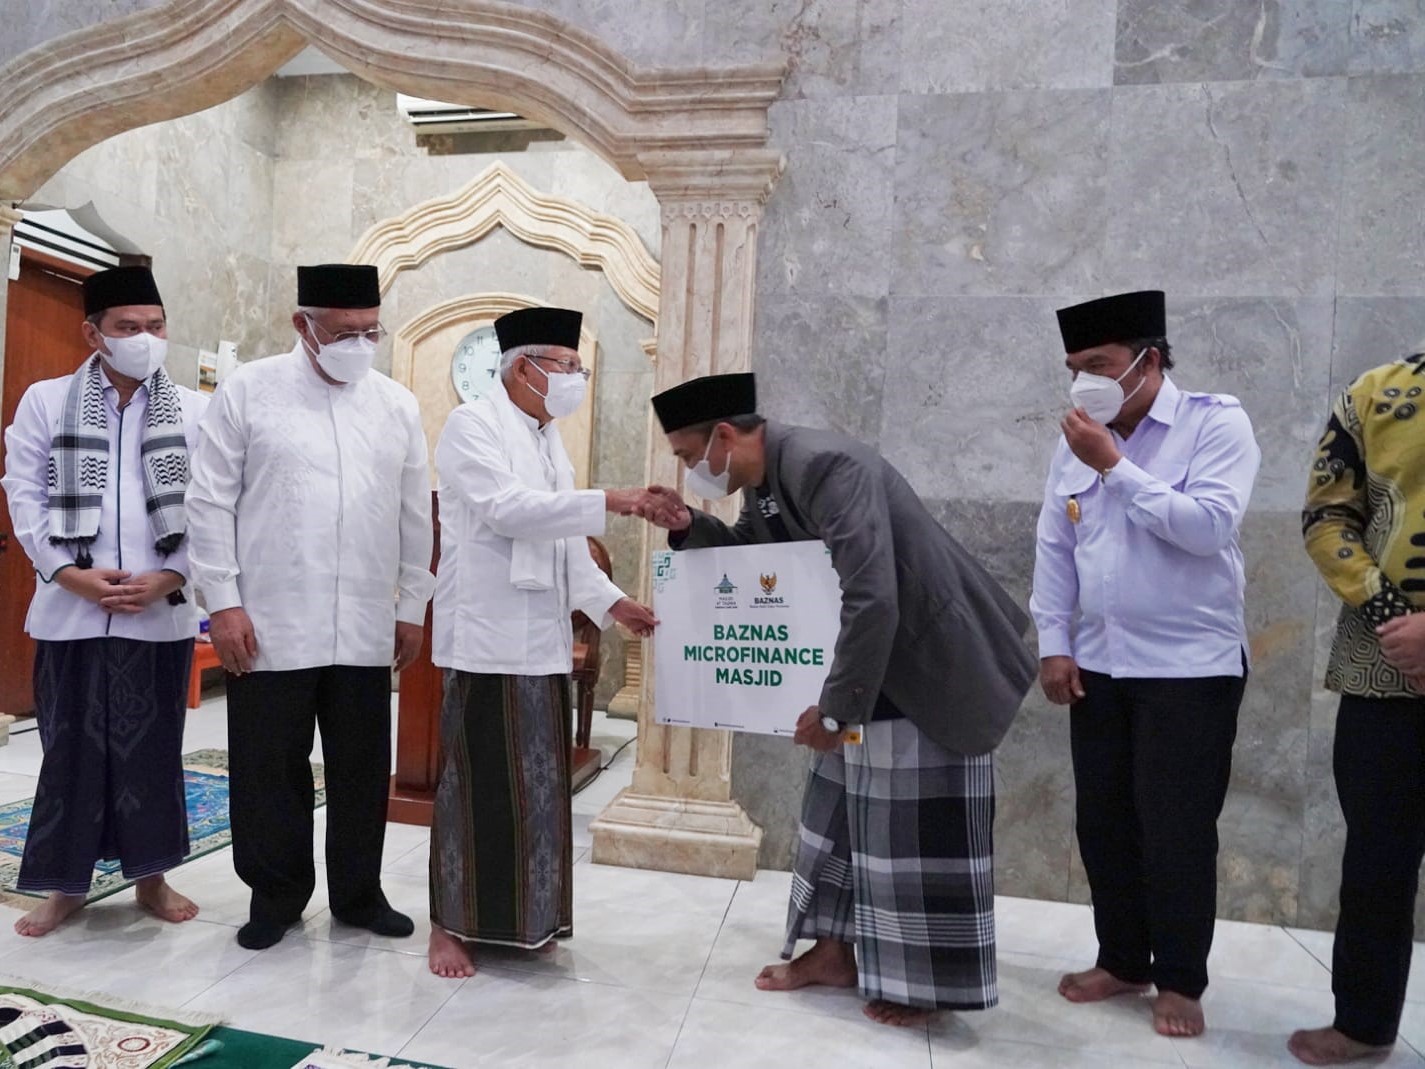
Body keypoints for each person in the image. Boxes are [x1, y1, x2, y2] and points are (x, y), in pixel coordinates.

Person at [637, 372, 1035, 1026]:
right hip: (863, 668)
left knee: (915, 834)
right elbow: (753, 557)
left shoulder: (825, 465)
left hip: (928, 663)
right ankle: (833, 953)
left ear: (725, 435)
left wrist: (832, 711)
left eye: (687, 455)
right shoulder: (765, 481)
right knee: (840, 818)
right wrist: (688, 525)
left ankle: (927, 986)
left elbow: (872, 594)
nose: (689, 470)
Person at [1029, 290, 1260, 1038]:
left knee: (1177, 827)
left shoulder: (1214, 424)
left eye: (1097, 365)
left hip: (1190, 665)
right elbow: (1054, 543)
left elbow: (1207, 527)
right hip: (1099, 661)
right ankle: (1123, 959)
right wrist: (1054, 642)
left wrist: (1115, 467)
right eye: (1073, 367)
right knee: (1104, 822)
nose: (1083, 383)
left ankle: (1181, 979)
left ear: (1148, 360)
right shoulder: (1078, 437)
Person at [185, 263, 434, 950]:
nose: (360, 344)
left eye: (371, 332)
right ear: (303, 325)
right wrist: (223, 604)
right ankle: (276, 895)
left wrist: (412, 604)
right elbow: (208, 502)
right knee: (270, 767)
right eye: (345, 332)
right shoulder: (249, 390)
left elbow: (415, 512)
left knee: (361, 768)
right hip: (269, 619)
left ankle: (359, 894)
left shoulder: (396, 404)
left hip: (364, 620)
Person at [426, 305, 657, 979]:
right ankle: (450, 927)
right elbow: (508, 510)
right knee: (474, 790)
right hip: (485, 639)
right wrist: (610, 500)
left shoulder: (547, 437)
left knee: (537, 790)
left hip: (541, 644)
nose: (574, 378)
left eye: (578, 367)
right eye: (566, 365)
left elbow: (565, 543)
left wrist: (613, 603)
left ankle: (524, 922)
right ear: (522, 368)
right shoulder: (472, 425)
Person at [1, 265, 205, 936]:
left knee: (153, 749)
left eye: (155, 326)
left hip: (159, 610)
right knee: (71, 753)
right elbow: (23, 492)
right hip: (72, 610)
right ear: (93, 333)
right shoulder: (46, 400)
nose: (145, 338)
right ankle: (65, 886)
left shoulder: (194, 410)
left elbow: (212, 505)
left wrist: (172, 574)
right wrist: (66, 572)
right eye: (128, 327)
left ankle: (152, 878)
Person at [1289, 342, 1425, 1066]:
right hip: (1385, 671)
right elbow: (1326, 515)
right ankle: (1364, 1023)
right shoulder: (1377, 391)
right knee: (1377, 859)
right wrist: (1393, 621)